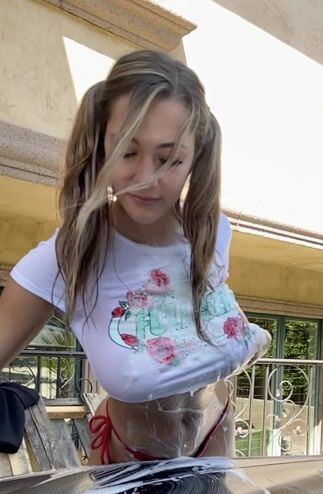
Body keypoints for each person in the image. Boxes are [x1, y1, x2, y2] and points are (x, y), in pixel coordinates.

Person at [0, 50, 270, 464]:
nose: (146, 177)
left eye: (169, 158)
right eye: (127, 151)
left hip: (216, 445)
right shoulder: (69, 256)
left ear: (195, 157)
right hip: (129, 467)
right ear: (100, 146)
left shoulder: (212, 232)